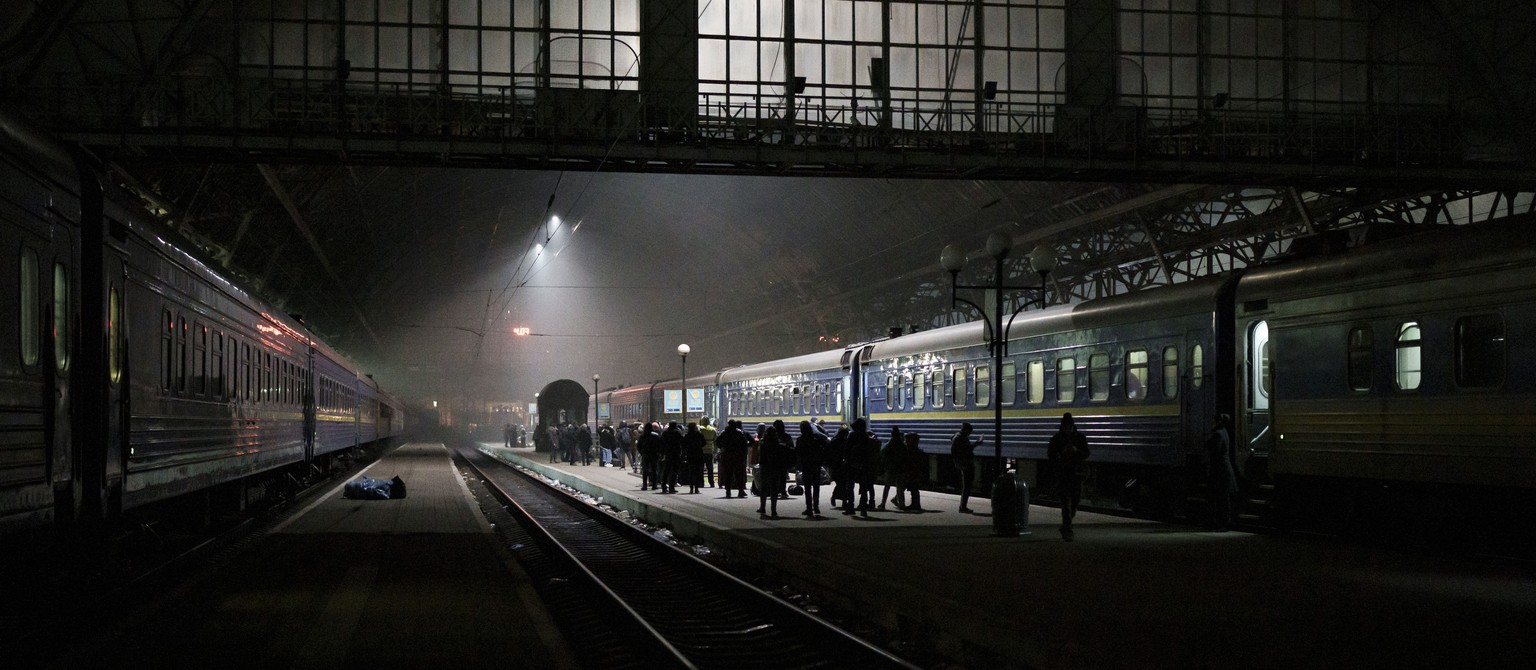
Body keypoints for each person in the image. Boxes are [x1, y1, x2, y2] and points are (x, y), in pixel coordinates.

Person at [1047, 412, 1090, 541]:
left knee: (1075, 502)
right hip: (1063, 474)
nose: (1068, 429)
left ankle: (1066, 525)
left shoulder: (1080, 438)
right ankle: (1067, 529)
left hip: (1076, 474)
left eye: (1069, 426)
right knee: (1066, 504)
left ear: (1073, 426)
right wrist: (1061, 454)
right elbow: (1051, 456)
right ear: (1063, 426)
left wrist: (1077, 451)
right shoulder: (1056, 439)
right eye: (1066, 426)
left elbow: (1086, 453)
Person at [1206, 413, 1238, 531]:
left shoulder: (1218, 434)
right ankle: (1224, 522)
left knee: (1221, 498)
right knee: (1224, 498)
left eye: (1213, 421)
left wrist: (1207, 442)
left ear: (1218, 422)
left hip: (1220, 471)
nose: (1211, 423)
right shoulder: (1224, 432)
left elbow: (1215, 449)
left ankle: (1223, 523)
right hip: (1224, 470)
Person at [757, 420, 793, 518]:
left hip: (764, 467)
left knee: (764, 489)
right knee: (774, 490)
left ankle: (762, 507)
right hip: (775, 468)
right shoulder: (779, 445)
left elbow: (760, 456)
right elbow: (789, 450)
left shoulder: (763, 444)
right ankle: (773, 510)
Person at [795, 420, 829, 517]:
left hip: (806, 466)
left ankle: (809, 508)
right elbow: (825, 445)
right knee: (816, 486)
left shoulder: (800, 440)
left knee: (807, 487)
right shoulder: (816, 438)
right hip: (816, 465)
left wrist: (798, 466)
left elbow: (797, 453)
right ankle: (816, 506)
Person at [950, 422, 983, 513]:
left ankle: (963, 506)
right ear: (965, 430)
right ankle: (963, 507)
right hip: (965, 464)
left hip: (965, 463)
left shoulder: (959, 437)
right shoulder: (959, 438)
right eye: (969, 432)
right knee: (967, 485)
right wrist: (977, 443)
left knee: (967, 485)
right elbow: (966, 449)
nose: (970, 434)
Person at [717, 419, 751, 498]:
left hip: (727, 456)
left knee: (728, 474)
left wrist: (722, 447)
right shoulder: (739, 433)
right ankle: (740, 491)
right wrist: (743, 454)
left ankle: (728, 491)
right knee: (739, 474)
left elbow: (717, 441)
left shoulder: (724, 433)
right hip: (737, 456)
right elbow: (744, 444)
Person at [880, 426, 905, 511]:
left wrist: (885, 464)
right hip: (900, 467)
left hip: (891, 468)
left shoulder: (889, 443)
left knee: (887, 486)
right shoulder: (902, 444)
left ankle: (883, 503)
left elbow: (883, 453)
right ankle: (902, 504)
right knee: (900, 487)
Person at [827, 426, 851, 510]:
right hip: (840, 465)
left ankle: (842, 500)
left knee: (841, 484)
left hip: (836, 465)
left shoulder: (834, 441)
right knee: (842, 484)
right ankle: (840, 499)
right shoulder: (844, 442)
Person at [900, 432, 926, 512]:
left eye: (906, 439)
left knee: (913, 488)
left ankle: (915, 504)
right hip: (915, 472)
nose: (905, 441)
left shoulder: (910, 450)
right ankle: (915, 504)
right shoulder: (917, 450)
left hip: (912, 472)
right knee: (914, 488)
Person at [660, 421, 683, 494]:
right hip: (676, 453)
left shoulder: (665, 433)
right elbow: (682, 441)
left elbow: (661, 443)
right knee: (674, 471)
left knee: (666, 470)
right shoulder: (677, 432)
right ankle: (671, 487)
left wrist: (662, 453)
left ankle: (664, 487)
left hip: (668, 453)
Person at [683, 422, 705, 494]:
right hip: (698, 454)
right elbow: (704, 442)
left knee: (691, 472)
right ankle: (696, 488)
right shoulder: (699, 434)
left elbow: (684, 445)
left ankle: (691, 488)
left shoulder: (687, 435)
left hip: (690, 455)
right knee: (698, 471)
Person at [638, 422, 661, 490]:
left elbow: (639, 446)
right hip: (654, 455)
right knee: (654, 470)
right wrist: (658, 453)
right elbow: (659, 445)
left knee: (645, 470)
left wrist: (642, 452)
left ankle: (644, 485)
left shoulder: (642, 436)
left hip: (645, 454)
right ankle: (654, 485)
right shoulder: (656, 435)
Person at [699, 417, 719, 488]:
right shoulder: (713, 430)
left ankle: (701, 483)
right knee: (710, 468)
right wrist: (715, 451)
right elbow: (715, 442)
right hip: (710, 450)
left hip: (701, 450)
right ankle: (711, 483)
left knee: (700, 467)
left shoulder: (700, 429)